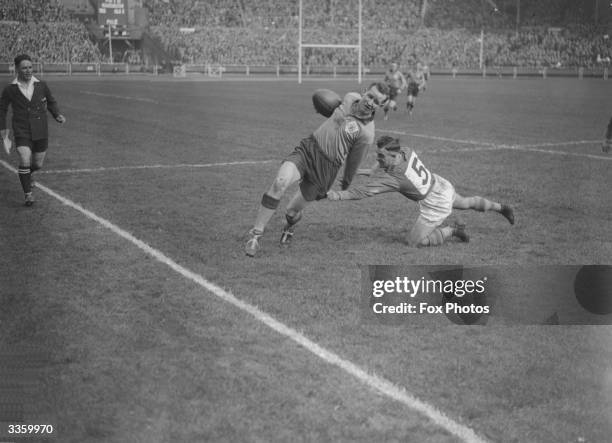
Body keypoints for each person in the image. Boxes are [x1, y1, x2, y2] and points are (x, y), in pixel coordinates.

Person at [245, 82, 391, 257]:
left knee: (292, 212)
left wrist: (346, 182)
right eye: (370, 96)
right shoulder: (350, 97)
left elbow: (354, 161)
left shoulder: (367, 133)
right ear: (364, 92)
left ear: (381, 105)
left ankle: (290, 225)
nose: (371, 102)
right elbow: (332, 111)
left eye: (376, 101)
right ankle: (255, 235)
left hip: (326, 170)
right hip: (309, 149)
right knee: (280, 182)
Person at [326, 135, 515, 248]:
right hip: (440, 184)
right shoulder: (405, 151)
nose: (378, 158)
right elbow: (387, 157)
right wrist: (371, 170)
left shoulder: (395, 178)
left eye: (382, 156)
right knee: (465, 202)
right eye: (378, 155)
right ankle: (501, 207)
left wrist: (335, 195)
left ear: (394, 155)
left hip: (434, 201)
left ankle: (454, 230)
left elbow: (362, 193)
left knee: (414, 243)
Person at [0, 54, 66, 206]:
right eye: (24, 67)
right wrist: (3, 130)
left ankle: (29, 174)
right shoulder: (10, 89)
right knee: (24, 158)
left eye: (30, 67)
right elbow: (2, 109)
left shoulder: (41, 85)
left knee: (37, 164)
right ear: (17, 69)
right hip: (22, 130)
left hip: (40, 130)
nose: (28, 70)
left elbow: (51, 102)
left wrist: (57, 114)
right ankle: (28, 195)